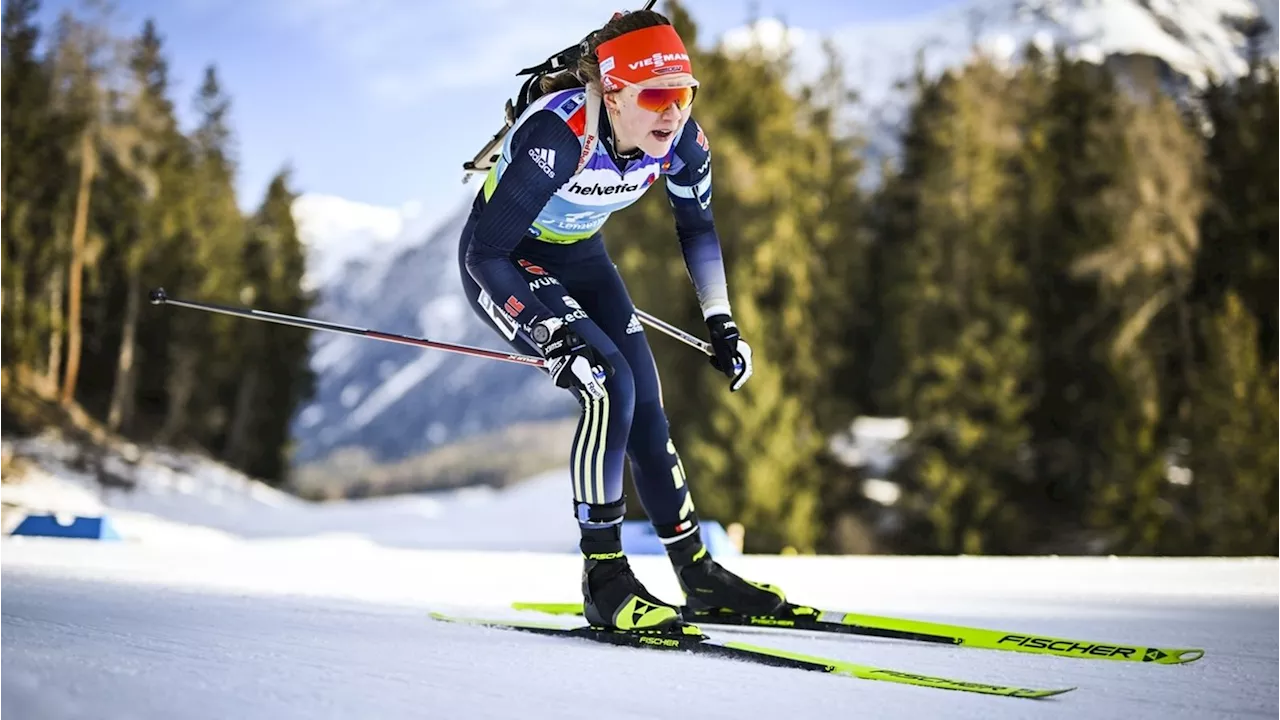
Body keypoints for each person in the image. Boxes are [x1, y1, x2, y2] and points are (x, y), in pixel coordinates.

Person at [457, 9, 786, 632]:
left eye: (684, 94)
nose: (673, 113)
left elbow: (698, 228)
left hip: (582, 261)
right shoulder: (557, 137)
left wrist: (722, 323)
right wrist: (552, 335)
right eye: (656, 95)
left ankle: (696, 573)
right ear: (612, 92)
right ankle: (604, 578)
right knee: (606, 384)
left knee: (646, 404)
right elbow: (485, 255)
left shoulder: (684, 141)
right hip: (505, 262)